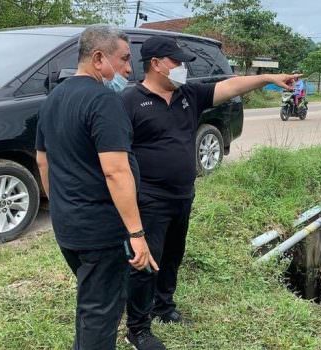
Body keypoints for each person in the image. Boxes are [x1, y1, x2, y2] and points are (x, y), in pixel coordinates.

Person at [121, 36, 300, 350]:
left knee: (173, 256)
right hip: (148, 198)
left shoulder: (189, 95)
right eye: (176, 62)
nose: (182, 68)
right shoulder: (129, 101)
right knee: (146, 263)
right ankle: (138, 328)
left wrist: (268, 78)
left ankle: (164, 307)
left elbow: (232, 85)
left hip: (182, 195)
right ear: (156, 64)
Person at [36, 25, 157, 350]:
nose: (129, 69)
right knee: (101, 314)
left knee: (91, 302)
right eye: (124, 59)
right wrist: (136, 234)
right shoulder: (104, 101)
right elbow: (116, 171)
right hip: (99, 234)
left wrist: (60, 207)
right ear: (99, 58)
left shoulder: (53, 98)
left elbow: (43, 161)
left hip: (69, 228)